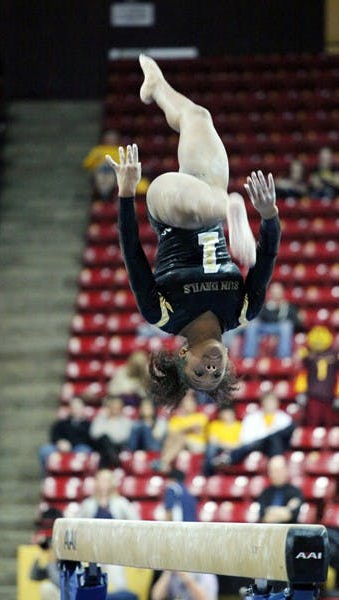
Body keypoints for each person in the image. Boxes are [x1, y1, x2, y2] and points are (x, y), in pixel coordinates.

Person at [105, 55, 281, 408]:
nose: (211, 369)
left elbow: (133, 255)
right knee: (197, 117)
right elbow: (267, 259)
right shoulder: (242, 311)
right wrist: (269, 215)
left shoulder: (163, 315)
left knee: (207, 203)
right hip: (209, 203)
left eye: (199, 373)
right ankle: (157, 88)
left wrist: (126, 194)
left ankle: (230, 207)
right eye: (217, 374)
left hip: (169, 208)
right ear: (229, 362)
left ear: (182, 355)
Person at [77, 470, 138, 600]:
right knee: (91, 583)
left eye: (106, 480)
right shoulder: (88, 504)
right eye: (100, 480)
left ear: (112, 483)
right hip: (92, 551)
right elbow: (77, 525)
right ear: (96, 483)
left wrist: (126, 540)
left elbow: (137, 523)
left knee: (118, 583)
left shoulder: (121, 503)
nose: (103, 484)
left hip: (114, 550)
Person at [213, 390, 294, 468]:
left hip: (276, 448)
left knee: (273, 438)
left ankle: (229, 458)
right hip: (257, 446)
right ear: (262, 403)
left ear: (277, 403)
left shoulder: (285, 419)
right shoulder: (251, 418)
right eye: (267, 401)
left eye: (272, 401)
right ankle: (228, 459)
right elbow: (245, 438)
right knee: (265, 440)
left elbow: (287, 438)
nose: (270, 404)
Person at [242, 281, 302, 359]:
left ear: (282, 292)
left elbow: (297, 322)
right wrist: (270, 307)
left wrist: (280, 308)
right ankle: (249, 356)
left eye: (278, 291)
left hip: (280, 328)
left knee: (286, 326)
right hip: (265, 328)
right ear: (270, 293)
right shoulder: (264, 305)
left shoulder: (288, 306)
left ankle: (283, 357)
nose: (276, 293)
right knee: (253, 324)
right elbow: (257, 317)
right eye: (274, 291)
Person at [83, 129, 149, 200]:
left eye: (113, 139)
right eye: (109, 139)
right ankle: (104, 194)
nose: (111, 141)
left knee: (111, 172)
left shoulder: (124, 150)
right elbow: (86, 165)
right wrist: (96, 159)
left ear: (117, 140)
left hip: (117, 172)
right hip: (100, 171)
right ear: (104, 139)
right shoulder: (98, 149)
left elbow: (129, 164)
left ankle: (105, 195)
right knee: (102, 171)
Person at [152, 389, 208, 472]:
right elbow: (171, 432)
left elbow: (196, 428)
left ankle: (163, 462)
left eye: (190, 403)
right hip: (180, 443)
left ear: (195, 405)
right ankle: (164, 463)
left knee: (181, 437)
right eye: (186, 404)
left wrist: (182, 430)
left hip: (197, 444)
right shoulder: (177, 418)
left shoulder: (200, 416)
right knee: (173, 437)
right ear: (182, 406)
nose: (188, 405)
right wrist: (185, 430)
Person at [295, 325, 339, 427]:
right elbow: (302, 373)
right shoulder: (308, 355)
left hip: (329, 396)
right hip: (313, 396)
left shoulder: (334, 356)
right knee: (312, 422)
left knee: (330, 424)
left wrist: (338, 395)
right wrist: (301, 392)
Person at [38, 396, 93, 475]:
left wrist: (70, 444)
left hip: (79, 447)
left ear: (83, 408)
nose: (76, 409)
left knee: (85, 450)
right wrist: (60, 442)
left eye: (78, 407)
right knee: (45, 450)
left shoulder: (89, 425)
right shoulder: (62, 423)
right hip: (60, 447)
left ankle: (81, 477)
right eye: (73, 407)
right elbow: (54, 435)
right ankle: (47, 477)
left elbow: (89, 440)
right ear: (70, 409)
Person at [257, 455, 304, 523]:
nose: (275, 474)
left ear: (286, 470)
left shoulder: (296, 492)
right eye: (272, 471)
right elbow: (263, 517)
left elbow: (291, 515)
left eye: (278, 470)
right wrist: (285, 510)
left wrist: (270, 510)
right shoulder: (265, 493)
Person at [90, 396, 133, 467]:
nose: (115, 409)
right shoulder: (100, 418)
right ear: (108, 408)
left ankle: (106, 466)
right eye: (113, 407)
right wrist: (108, 436)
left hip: (118, 446)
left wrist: (107, 435)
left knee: (105, 449)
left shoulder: (126, 421)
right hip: (101, 445)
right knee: (104, 439)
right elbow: (94, 434)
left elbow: (123, 437)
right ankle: (115, 460)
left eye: (117, 407)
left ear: (121, 408)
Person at [203, 404, 242, 476]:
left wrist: (227, 445)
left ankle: (221, 461)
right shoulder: (215, 425)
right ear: (220, 414)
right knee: (211, 446)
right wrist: (228, 445)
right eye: (225, 413)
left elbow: (241, 444)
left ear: (233, 413)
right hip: (219, 449)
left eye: (229, 413)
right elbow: (213, 441)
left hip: (234, 451)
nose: (227, 415)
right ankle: (208, 469)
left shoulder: (240, 426)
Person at [151, 570, 218, 600]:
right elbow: (156, 596)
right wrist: (168, 572)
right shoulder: (172, 574)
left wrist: (187, 579)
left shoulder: (206, 575)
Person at [30, 535, 60, 600]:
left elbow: (58, 582)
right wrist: (39, 555)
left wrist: (52, 563)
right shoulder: (51, 564)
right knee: (44, 586)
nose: (50, 551)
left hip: (66, 593)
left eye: (52, 548)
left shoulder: (64, 562)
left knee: (46, 588)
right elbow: (34, 576)